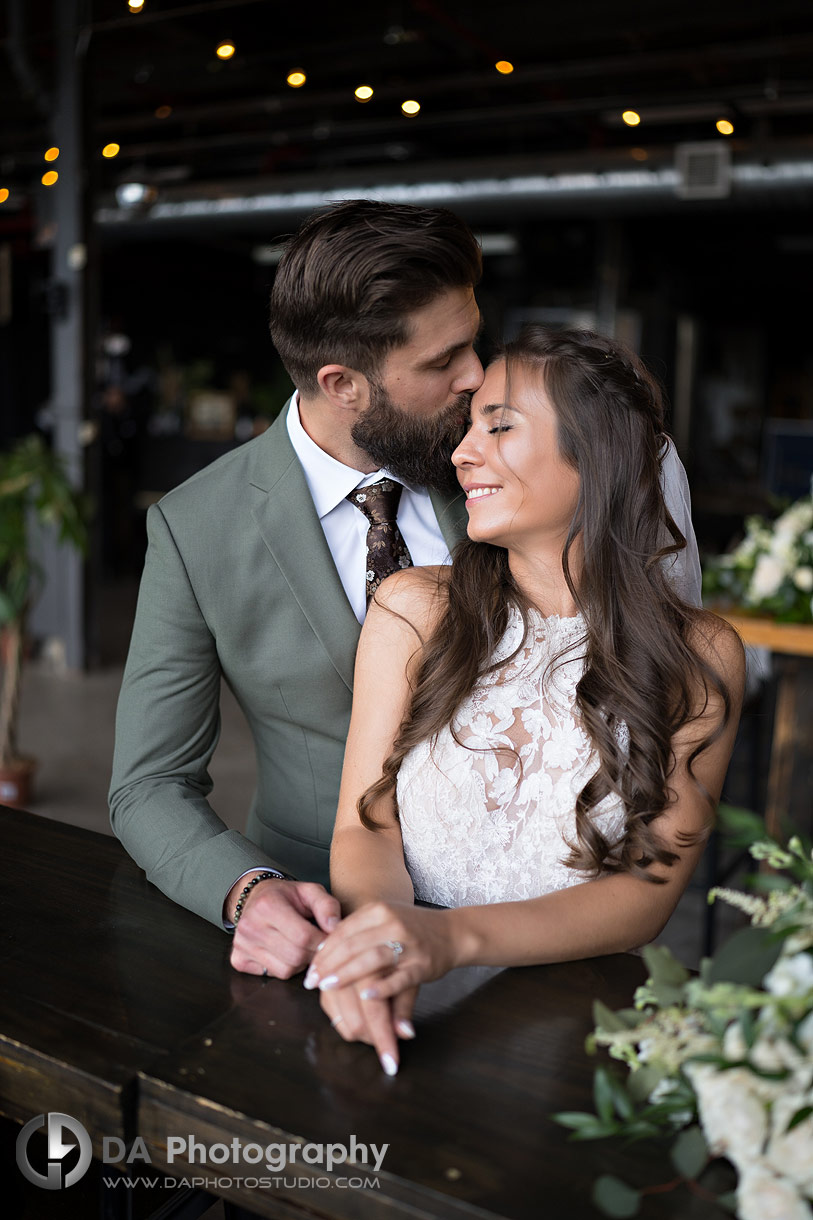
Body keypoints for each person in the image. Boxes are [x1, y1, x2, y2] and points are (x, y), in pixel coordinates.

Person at [109, 200, 701, 983]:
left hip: (549, 928)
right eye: (441, 361)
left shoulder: (520, 469)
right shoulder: (196, 528)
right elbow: (149, 783)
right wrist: (247, 892)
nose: (475, 376)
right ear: (342, 383)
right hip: (322, 918)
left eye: (473, 342)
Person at [305, 326, 745, 1076]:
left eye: (499, 427)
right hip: (402, 991)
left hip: (580, 1033)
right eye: (468, 427)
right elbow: (363, 828)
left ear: (594, 454)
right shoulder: (414, 610)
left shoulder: (698, 657)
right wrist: (389, 942)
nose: (461, 453)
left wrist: (453, 941)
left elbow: (645, 891)